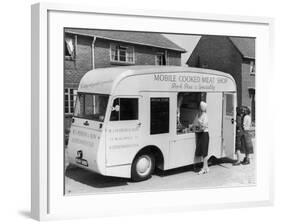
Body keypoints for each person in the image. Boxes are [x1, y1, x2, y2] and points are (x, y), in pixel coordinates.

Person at [192, 101, 210, 174]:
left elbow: (203, 126)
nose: (199, 108)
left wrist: (198, 124)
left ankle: (203, 169)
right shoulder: (199, 114)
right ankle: (206, 168)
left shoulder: (205, 115)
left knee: (204, 152)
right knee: (202, 152)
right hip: (200, 134)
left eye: (200, 107)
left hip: (204, 134)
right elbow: (195, 123)